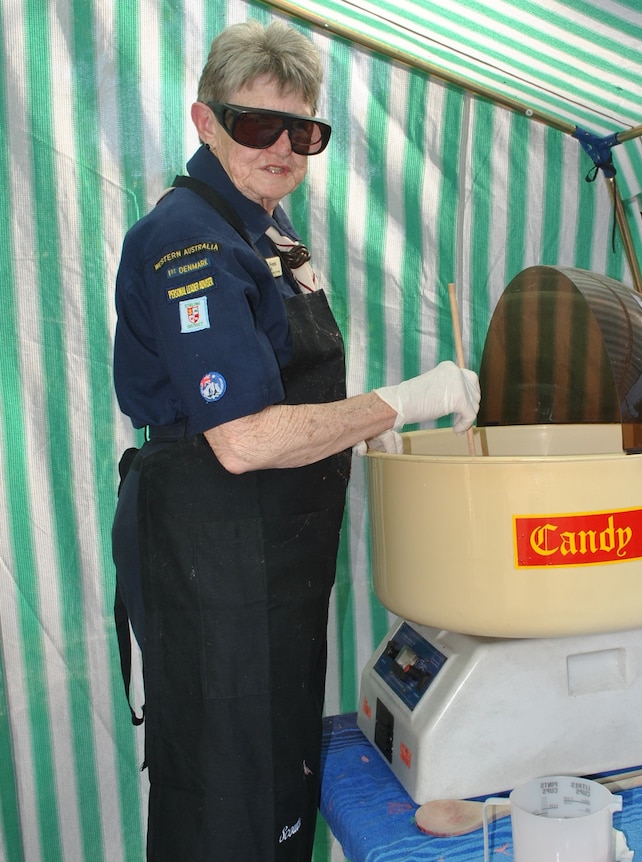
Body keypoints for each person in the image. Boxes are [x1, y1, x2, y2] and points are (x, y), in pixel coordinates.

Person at [111, 19, 479, 862]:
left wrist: (359, 437)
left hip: (270, 563)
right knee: (226, 804)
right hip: (215, 563)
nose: (281, 147)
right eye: (255, 125)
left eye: (302, 131)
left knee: (280, 784)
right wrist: (402, 400)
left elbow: (291, 395)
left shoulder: (266, 231)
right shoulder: (191, 240)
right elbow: (239, 439)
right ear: (205, 123)